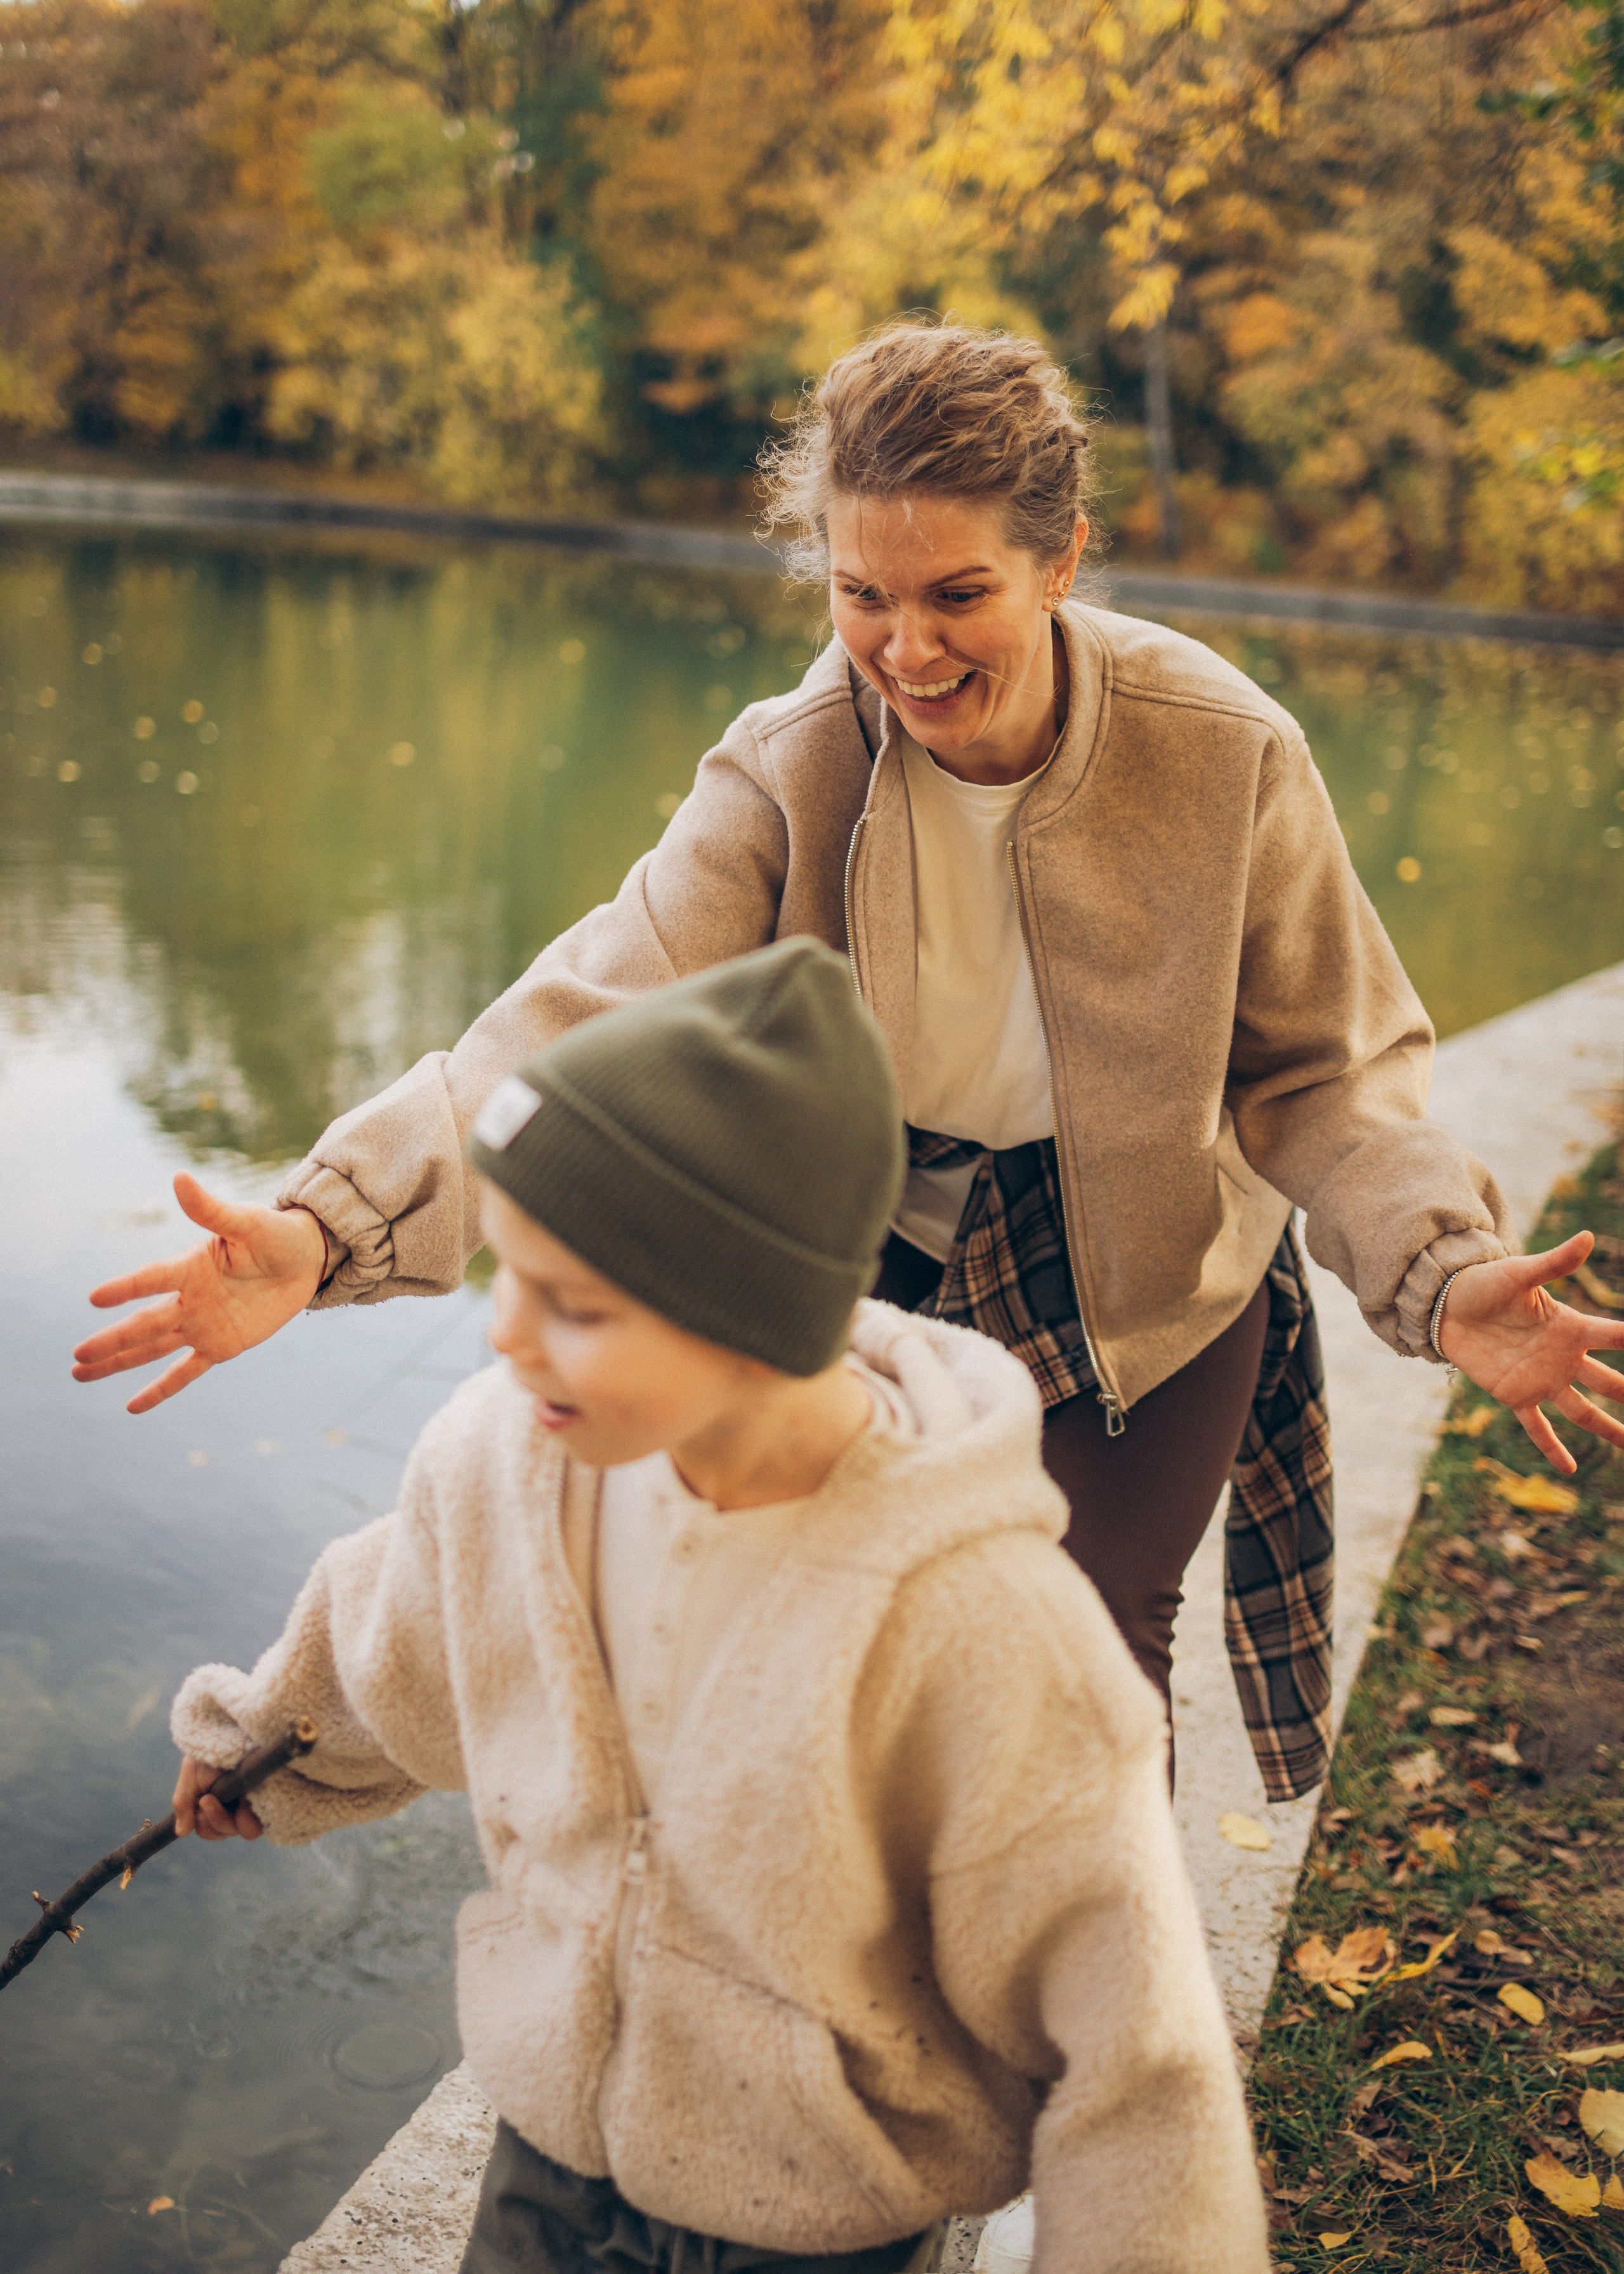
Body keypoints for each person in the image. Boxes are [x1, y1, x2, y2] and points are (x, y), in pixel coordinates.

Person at [76, 322, 1624, 1806]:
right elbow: (580, 1026)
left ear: (1061, 561)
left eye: (958, 592)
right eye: (859, 592)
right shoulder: (789, 763)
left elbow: (1326, 1074)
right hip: (874, 1252)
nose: (906, 646)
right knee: (794, 1635)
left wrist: (1438, 1266)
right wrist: (326, 1225)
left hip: (1152, 1277)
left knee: (1081, 1646)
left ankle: (1079, 2042)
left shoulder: (1223, 751)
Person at [166, 943, 1270, 2274]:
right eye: (503, 1276)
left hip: (820, 2213)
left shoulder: (977, 1620)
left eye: (571, 1306)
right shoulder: (513, 1462)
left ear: (750, 1328)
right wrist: (268, 1740)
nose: (506, 1339)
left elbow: (1131, 2048)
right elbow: (395, 1624)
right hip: (556, 2143)